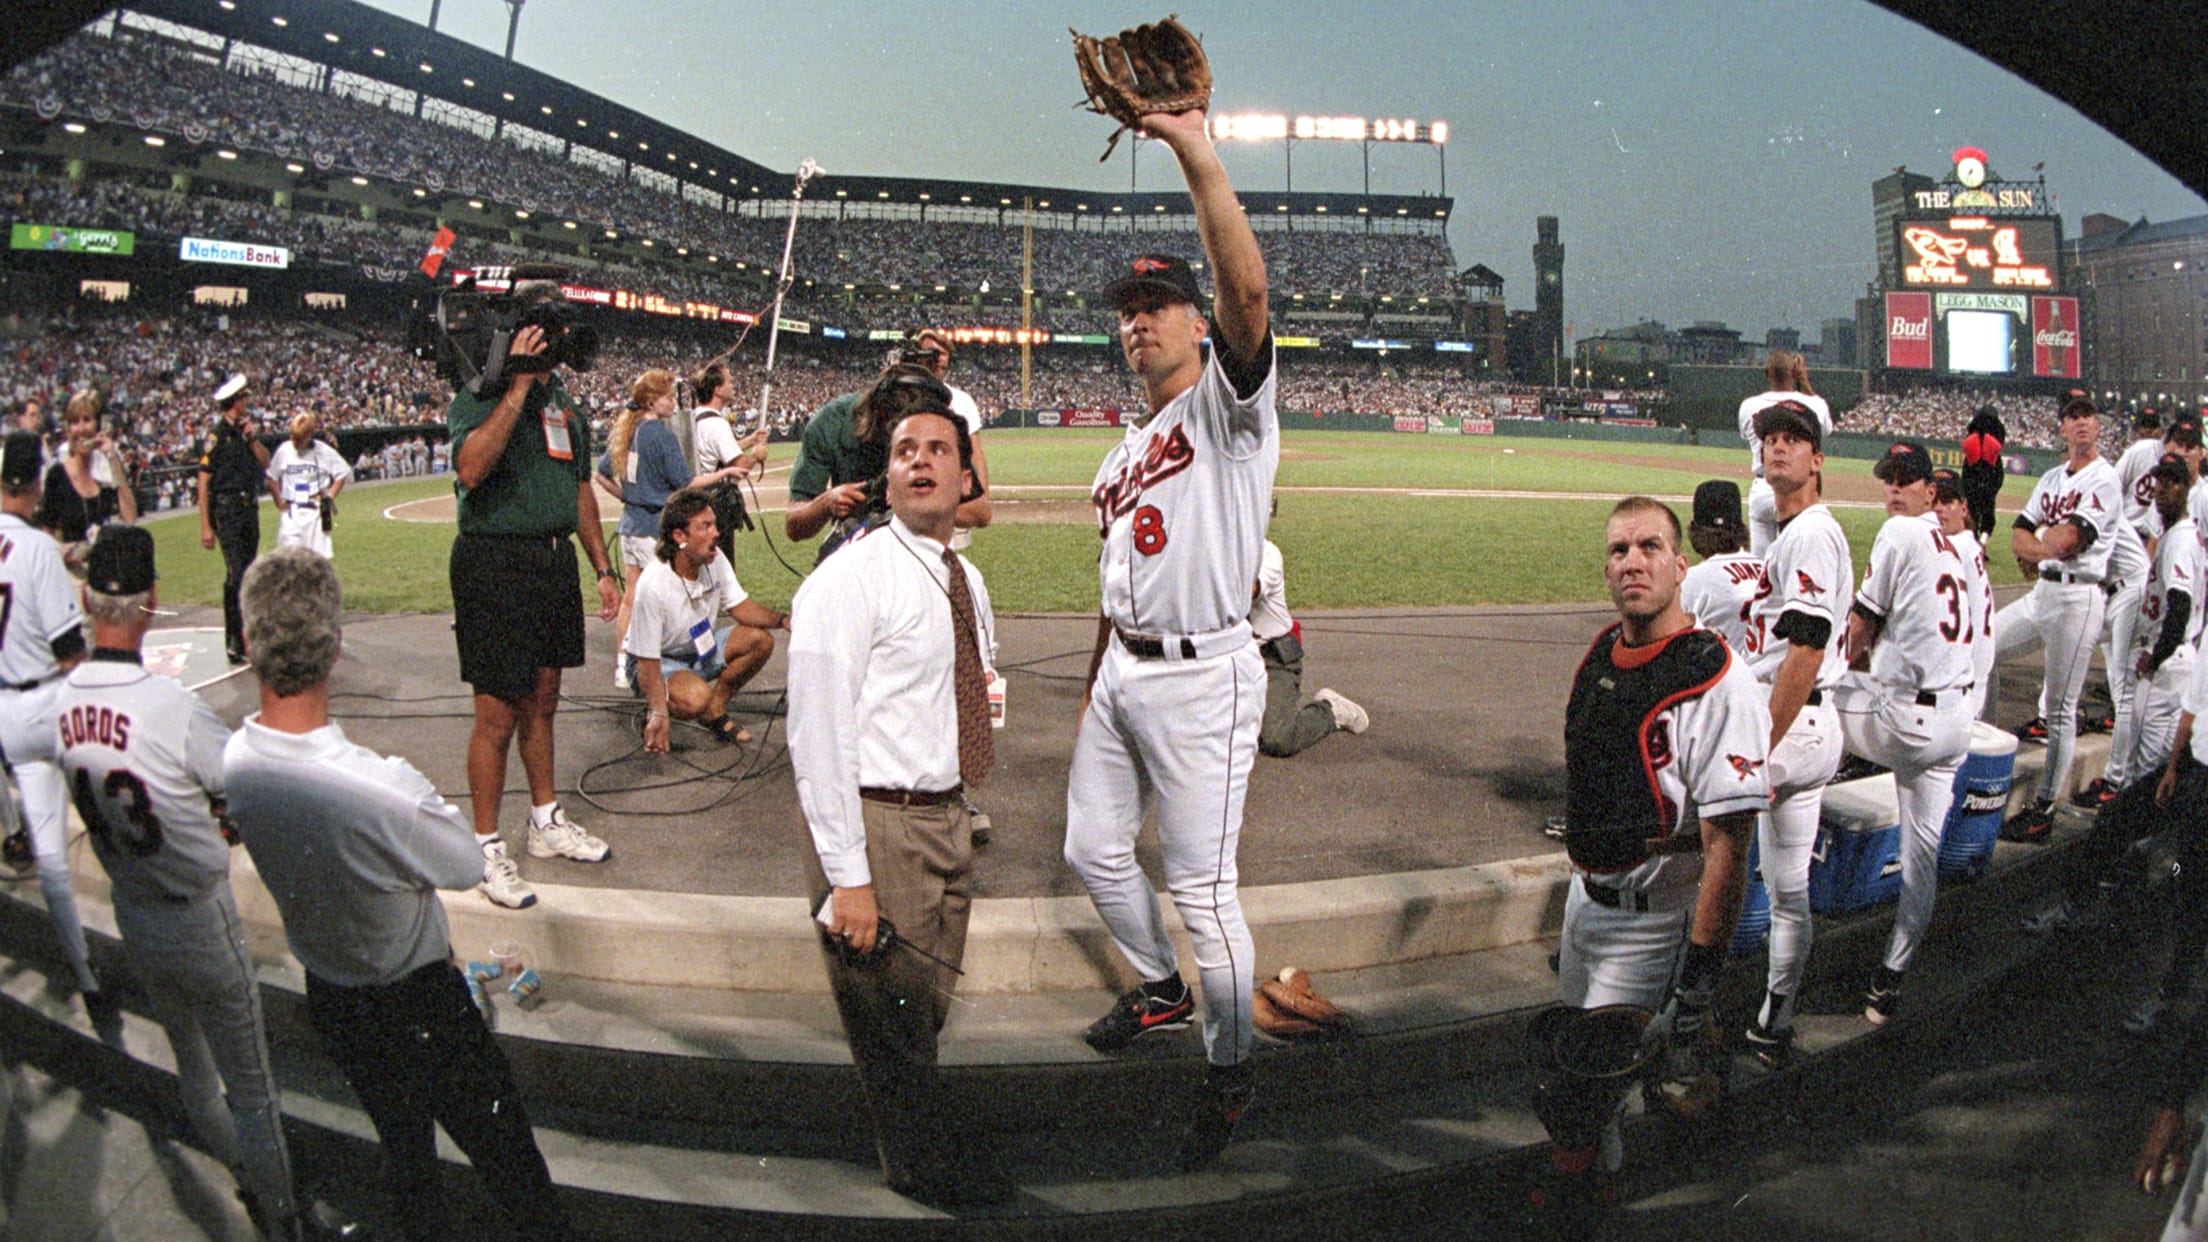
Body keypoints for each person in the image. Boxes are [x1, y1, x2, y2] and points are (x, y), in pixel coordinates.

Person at [224, 547, 571, 1242]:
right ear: (334, 648)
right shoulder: (379, 786)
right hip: (418, 1002)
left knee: (406, 1152)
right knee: (511, 1166)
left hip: (334, 993)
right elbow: (462, 864)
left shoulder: (235, 758)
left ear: (250, 644)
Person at [1060, 85, 1277, 1172]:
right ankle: (1156, 991)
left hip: (1205, 679)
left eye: (1157, 303)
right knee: (1091, 850)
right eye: (1127, 306)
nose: (1137, 318)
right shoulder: (1121, 451)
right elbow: (1116, 582)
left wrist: (1193, 146)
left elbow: (1246, 282)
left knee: (1201, 891)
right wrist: (1100, 690)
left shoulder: (1228, 413)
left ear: (1197, 323)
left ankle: (1230, 1072)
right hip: (1124, 678)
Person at [55, 526, 357, 1242]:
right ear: (151, 599)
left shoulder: (63, 699)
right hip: (196, 912)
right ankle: (284, 1217)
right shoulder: (169, 706)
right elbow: (245, 791)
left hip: (133, 905)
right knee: (252, 1089)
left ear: (89, 598)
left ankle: (252, 1179)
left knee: (193, 1070)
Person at [786, 406, 1006, 1208]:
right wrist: (847, 877)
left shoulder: (966, 578)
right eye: (905, 451)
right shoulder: (848, 577)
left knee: (921, 1012)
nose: (921, 462)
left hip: (948, 816)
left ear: (965, 477)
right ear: (886, 475)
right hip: (880, 821)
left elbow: (972, 686)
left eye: (939, 450)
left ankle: (911, 1133)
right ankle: (921, 1171)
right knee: (894, 1022)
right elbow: (815, 737)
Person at [1535, 495, 1767, 1218]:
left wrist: (1696, 986)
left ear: (1680, 564)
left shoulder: (1714, 676)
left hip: (1653, 916)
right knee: (1578, 1072)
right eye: (1617, 550)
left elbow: (1730, 845)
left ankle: (1581, 1202)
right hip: (1585, 902)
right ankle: (1600, 1180)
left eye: (1648, 546)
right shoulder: (1604, 651)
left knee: (1584, 1084)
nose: (1632, 561)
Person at [447, 296, 619, 911]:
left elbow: (579, 493)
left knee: (543, 703)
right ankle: (485, 845)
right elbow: (470, 470)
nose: (555, 343)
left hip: (551, 561)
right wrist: (515, 388)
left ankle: (544, 823)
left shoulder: (565, 403)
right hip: (494, 559)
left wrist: (602, 567)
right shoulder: (478, 393)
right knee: (496, 713)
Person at [2026, 453, 2201, 935]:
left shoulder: (2182, 538)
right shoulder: (2178, 537)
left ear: (2187, 489)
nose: (2163, 490)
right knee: (2153, 781)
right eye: (2158, 482)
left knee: (2142, 780)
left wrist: (2158, 655)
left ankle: (2126, 877)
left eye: (2173, 483)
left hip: (2168, 668)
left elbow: (2181, 604)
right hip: (2180, 667)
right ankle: (2144, 866)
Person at [1834, 442, 1978, 1027]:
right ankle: (1889, 980)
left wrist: (1831, 669)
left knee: (1809, 705)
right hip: (1955, 726)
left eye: (1907, 479)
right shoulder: (1957, 548)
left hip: (1907, 724)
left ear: (1929, 491)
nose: (1895, 489)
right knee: (1922, 860)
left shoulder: (1900, 534)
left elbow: (1861, 625)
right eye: (1888, 479)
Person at [1738, 399, 1852, 1067]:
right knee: (1787, 888)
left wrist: (1757, 749)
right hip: (1814, 729)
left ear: (1817, 460)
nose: (1777, 447)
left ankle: (1678, 1006)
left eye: (1792, 439)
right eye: (1769, 438)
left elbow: (1806, 646)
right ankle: (1774, 1018)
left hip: (1787, 726)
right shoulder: (1796, 533)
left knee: (1683, 842)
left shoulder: (1809, 532)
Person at [0, 432, 103, 1004]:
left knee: (49, 853)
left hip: (6, 712)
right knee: (107, 805)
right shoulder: (37, 546)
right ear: (37, 484)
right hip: (50, 702)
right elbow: (69, 650)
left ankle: (84, 972)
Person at [1996, 396, 2122, 844]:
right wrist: (2043, 543)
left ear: (2097, 427)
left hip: (2079, 597)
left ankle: (2044, 810)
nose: (2082, 422)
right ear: (2063, 429)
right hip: (2043, 592)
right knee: (1981, 648)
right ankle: (1975, 758)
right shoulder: (2051, 478)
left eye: (2088, 416)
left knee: (2060, 710)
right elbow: (2017, 537)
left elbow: (2067, 541)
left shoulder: (2105, 478)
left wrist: (2044, 540)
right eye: (2074, 417)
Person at [626, 488, 784, 751]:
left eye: (714, 525)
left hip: (699, 650)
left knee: (759, 641)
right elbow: (646, 659)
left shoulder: (715, 559)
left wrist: (782, 620)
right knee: (695, 697)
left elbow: (740, 606)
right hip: (654, 662)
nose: (716, 533)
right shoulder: (653, 584)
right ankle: (663, 702)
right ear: (680, 537)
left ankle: (714, 710)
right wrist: (658, 712)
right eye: (705, 527)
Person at [785, 362, 991, 562]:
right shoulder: (832, 423)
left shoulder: (940, 429)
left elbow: (980, 512)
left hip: (920, 552)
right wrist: (827, 503)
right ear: (878, 414)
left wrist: (908, 507)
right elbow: (794, 526)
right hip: (854, 554)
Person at [596, 371, 690, 691]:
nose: (674, 402)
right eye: (668, 397)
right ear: (652, 401)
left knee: (631, 599)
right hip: (654, 528)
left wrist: (627, 496)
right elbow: (684, 483)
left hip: (631, 526)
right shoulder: (661, 436)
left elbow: (602, 475)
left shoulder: (628, 431)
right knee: (659, 600)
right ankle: (653, 671)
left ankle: (623, 665)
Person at [1250, 536, 1367, 756]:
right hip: (1228, 658)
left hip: (1272, 658)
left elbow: (1242, 592)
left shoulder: (1267, 554)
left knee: (1278, 738)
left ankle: (1330, 710)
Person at [197, 374, 269, 666]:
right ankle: (233, 638)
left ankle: (247, 635)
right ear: (234, 402)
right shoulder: (216, 437)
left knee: (248, 573)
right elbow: (203, 483)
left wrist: (252, 438)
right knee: (236, 574)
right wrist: (205, 525)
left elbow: (265, 461)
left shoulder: (246, 433)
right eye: (244, 398)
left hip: (248, 508)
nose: (247, 402)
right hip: (226, 510)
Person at [1735, 352, 1831, 556]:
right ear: (1794, 373)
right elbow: (1826, 429)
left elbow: (1745, 434)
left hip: (1763, 486)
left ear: (1766, 373)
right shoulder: (1813, 404)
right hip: (1796, 489)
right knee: (1797, 558)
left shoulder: (1748, 405)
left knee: (1760, 566)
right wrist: (1804, 381)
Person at [908, 330, 993, 552]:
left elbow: (975, 450)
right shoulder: (901, 395)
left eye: (944, 353)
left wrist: (981, 495)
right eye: (932, 352)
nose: (938, 358)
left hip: (946, 498)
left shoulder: (962, 401)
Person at [38, 388, 136, 566]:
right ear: (68, 429)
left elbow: (129, 517)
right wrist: (64, 552)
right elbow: (47, 536)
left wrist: (112, 457)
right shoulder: (57, 475)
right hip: (73, 575)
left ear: (97, 425)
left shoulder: (105, 468)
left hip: (106, 571)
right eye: (74, 422)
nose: (81, 429)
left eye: (87, 420)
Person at [1930, 468, 1997, 719]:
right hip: (1974, 676)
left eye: (1947, 502)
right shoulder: (1970, 545)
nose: (1939, 509)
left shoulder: (1954, 548)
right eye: (1934, 501)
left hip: (1959, 685)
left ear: (1964, 509)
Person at [688, 360, 770, 563]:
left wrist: (749, 441)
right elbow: (739, 466)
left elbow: (715, 452)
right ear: (717, 389)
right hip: (716, 504)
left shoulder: (695, 418)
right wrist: (756, 455)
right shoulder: (717, 424)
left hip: (696, 500)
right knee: (722, 566)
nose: (733, 386)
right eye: (729, 382)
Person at [1677, 479, 1760, 653]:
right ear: (1741, 529)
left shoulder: (1687, 581)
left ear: (1695, 531)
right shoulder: (1769, 571)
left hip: (1718, 677)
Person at [263, 412, 351, 559]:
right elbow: (271, 476)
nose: (295, 443)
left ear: (309, 435)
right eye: (293, 438)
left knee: (317, 562)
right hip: (292, 510)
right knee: (288, 560)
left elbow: (342, 472)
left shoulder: (322, 450)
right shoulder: (284, 450)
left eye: (299, 439)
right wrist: (278, 501)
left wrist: (330, 497)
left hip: (315, 509)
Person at [1960, 402, 2008, 544]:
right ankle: (1983, 541)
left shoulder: (1973, 438)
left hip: (1974, 474)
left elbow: (1965, 476)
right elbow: (1998, 478)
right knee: (1987, 513)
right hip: (1989, 476)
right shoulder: (1995, 439)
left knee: (1973, 512)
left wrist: (1966, 491)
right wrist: (1993, 490)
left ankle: (1974, 541)